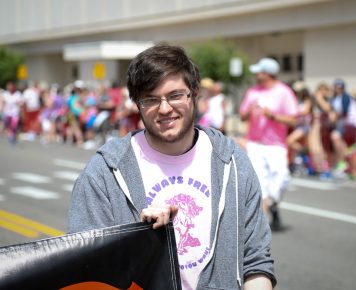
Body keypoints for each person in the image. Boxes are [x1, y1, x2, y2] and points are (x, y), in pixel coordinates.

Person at [68, 44, 276, 290]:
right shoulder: (103, 173)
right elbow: (87, 271)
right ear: (137, 104)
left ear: (195, 93)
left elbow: (256, 262)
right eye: (151, 99)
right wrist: (140, 238)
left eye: (176, 95)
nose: (165, 108)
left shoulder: (232, 162)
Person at [239, 58, 298, 231]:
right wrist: (249, 111)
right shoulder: (253, 91)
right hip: (255, 144)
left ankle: (273, 203)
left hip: (276, 145)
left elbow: (293, 119)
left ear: (267, 73)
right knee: (259, 182)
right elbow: (242, 115)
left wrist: (272, 116)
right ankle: (261, 228)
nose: (256, 74)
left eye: (259, 71)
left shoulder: (284, 92)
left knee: (281, 177)